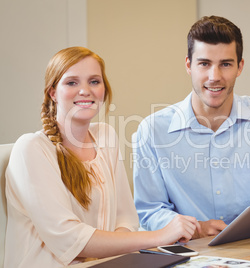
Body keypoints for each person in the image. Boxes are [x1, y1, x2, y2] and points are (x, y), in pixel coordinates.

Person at [5, 47, 199, 267]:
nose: (85, 90)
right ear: (52, 92)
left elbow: (126, 219)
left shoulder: (105, 136)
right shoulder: (30, 149)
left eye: (94, 81)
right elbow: (71, 239)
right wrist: (162, 235)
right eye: (72, 83)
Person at [133, 16, 250, 239]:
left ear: (239, 67)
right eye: (204, 64)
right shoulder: (153, 130)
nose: (215, 77)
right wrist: (197, 229)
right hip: (187, 253)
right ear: (189, 65)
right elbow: (150, 211)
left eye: (225, 64)